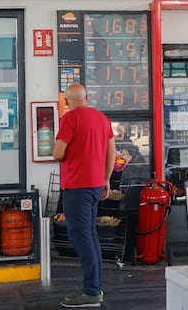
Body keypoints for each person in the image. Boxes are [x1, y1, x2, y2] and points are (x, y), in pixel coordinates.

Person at [53, 83, 116, 308]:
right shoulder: (102, 119)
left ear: (67, 101)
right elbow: (112, 152)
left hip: (77, 187)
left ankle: (90, 292)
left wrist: (57, 150)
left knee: (81, 237)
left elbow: (58, 152)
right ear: (87, 97)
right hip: (94, 186)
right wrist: (106, 179)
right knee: (90, 236)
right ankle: (96, 288)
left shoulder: (69, 119)